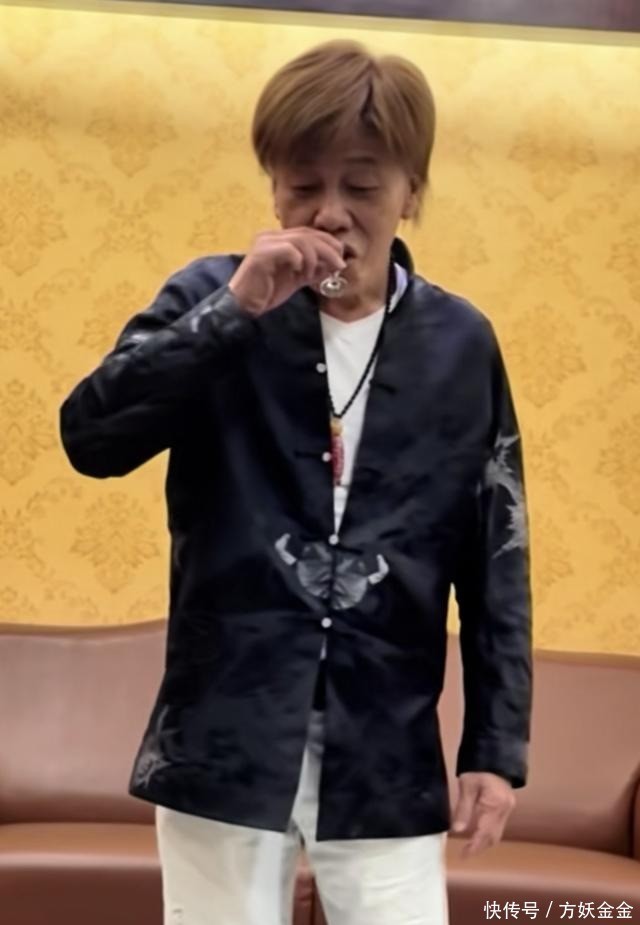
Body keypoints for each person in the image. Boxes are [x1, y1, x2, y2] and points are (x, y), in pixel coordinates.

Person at [60, 39, 532, 925]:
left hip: (387, 743)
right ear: (273, 187)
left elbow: (496, 557)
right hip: (224, 730)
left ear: (411, 192)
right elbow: (90, 437)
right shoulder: (212, 296)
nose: (331, 213)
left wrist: (495, 747)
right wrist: (234, 310)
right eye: (303, 185)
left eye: (363, 187)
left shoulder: (461, 344)